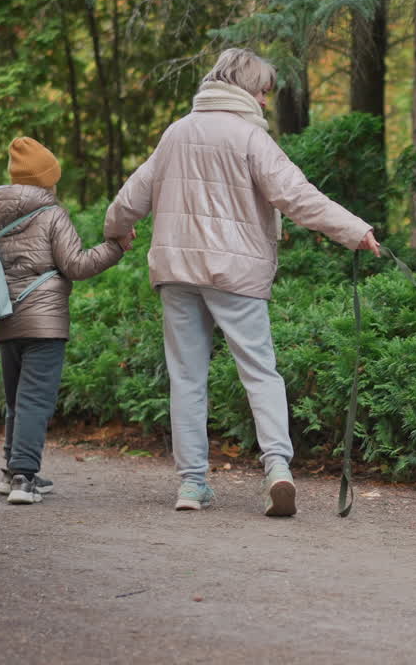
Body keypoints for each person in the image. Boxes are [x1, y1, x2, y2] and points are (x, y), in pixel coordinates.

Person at [104, 48, 382, 517]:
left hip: (176, 271)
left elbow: (132, 196)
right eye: (263, 91)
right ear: (244, 88)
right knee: (260, 371)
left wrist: (116, 229)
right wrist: (354, 230)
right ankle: (277, 468)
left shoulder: (176, 133)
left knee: (186, 378)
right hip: (235, 274)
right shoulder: (250, 138)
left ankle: (191, 486)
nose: (265, 101)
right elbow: (297, 196)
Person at [0, 136, 127, 504]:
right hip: (44, 322)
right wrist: (116, 247)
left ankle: (10, 471)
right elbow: (77, 265)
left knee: (17, 399)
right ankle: (24, 478)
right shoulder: (52, 214)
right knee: (36, 399)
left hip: (5, 318)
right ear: (46, 179)